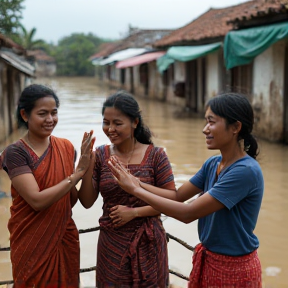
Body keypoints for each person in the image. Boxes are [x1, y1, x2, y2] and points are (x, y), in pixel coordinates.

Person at [108, 92, 264, 288]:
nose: (205, 129)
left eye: (211, 122)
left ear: (235, 127)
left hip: (234, 267)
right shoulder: (213, 163)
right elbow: (177, 196)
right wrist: (137, 183)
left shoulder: (245, 171)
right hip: (210, 259)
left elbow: (188, 213)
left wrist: (135, 190)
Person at [78, 90, 176, 288]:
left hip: (149, 242)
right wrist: (86, 164)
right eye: (106, 122)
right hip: (111, 242)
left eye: (118, 123)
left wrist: (134, 212)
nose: (110, 129)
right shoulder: (100, 155)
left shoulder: (156, 155)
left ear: (135, 122)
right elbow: (87, 202)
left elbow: (172, 200)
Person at [0, 84, 95, 288]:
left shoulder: (66, 147)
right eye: (43, 114)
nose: (50, 120)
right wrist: (78, 173)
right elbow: (36, 201)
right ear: (25, 115)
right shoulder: (15, 153)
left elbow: (71, 201)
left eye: (54, 113)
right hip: (31, 240)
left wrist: (87, 167)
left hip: (64, 236)